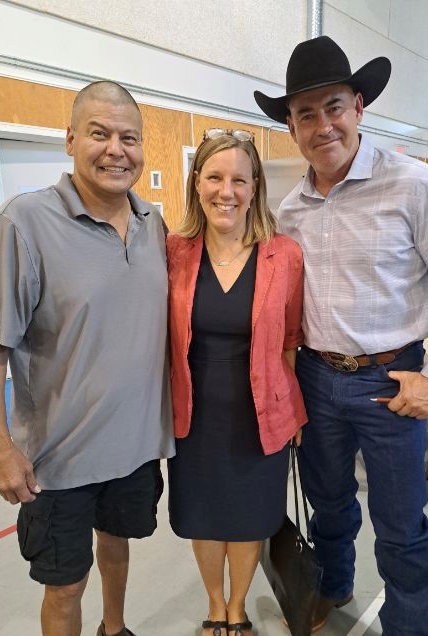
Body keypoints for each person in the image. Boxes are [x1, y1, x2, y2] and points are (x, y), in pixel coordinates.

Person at [254, 36, 428, 635]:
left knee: (401, 524)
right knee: (329, 507)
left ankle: (407, 625)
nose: (322, 125)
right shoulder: (289, 207)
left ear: (359, 107)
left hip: (390, 378)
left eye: (334, 107)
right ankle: (335, 589)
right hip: (316, 379)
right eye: (306, 114)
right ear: (292, 128)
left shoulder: (418, 185)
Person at [0, 80, 174, 636]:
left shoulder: (154, 224)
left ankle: (113, 630)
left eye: (129, 138)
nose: (116, 149)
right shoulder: (23, 224)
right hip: (59, 460)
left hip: (136, 450)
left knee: (117, 549)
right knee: (65, 584)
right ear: (70, 139)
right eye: (99, 134)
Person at [166, 128, 307, 636]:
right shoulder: (174, 251)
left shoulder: (284, 254)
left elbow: (291, 337)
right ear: (197, 183)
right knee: (204, 514)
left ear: (255, 187)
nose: (227, 191)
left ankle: (239, 606)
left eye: (239, 180)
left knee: (248, 516)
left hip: (261, 411)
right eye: (215, 177)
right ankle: (213, 603)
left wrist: (292, 409)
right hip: (195, 411)